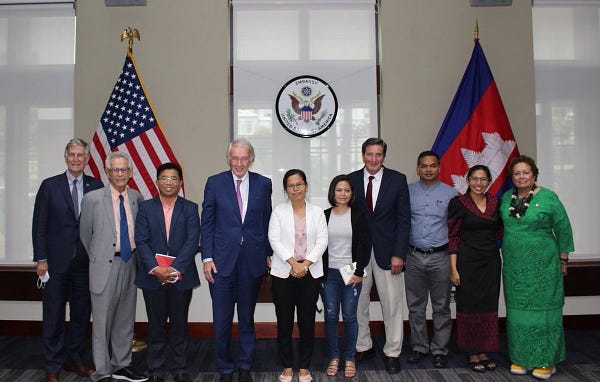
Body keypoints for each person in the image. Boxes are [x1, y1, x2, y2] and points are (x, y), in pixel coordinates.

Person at [200, 138, 272, 382]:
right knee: (221, 321)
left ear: (251, 159)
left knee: (246, 319)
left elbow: (266, 221)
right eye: (235, 158)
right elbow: (207, 223)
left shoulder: (264, 184)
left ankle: (244, 366)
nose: (239, 163)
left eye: (244, 158)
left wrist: (268, 253)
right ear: (228, 158)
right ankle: (225, 368)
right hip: (220, 262)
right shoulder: (215, 183)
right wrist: (207, 257)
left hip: (251, 261)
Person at [32, 138, 103, 382]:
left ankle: (75, 359)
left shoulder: (96, 186)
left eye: (80, 155)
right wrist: (40, 258)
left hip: (85, 264)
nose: (75, 159)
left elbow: (101, 227)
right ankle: (52, 366)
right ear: (65, 157)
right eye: (71, 154)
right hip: (55, 264)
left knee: (82, 315)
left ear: (87, 159)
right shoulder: (49, 186)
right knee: (53, 315)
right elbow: (39, 226)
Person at [500, 155, 574, 380]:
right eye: (517, 173)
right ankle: (521, 357)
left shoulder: (549, 197)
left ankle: (546, 360)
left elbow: (563, 228)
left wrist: (563, 260)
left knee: (544, 313)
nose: (521, 177)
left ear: (534, 175)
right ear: (512, 177)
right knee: (517, 313)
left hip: (544, 265)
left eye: (526, 172)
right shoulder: (506, 198)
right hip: (514, 267)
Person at [79, 151, 147, 382]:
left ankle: (121, 365)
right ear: (107, 173)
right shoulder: (92, 199)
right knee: (102, 322)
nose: (120, 174)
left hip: (130, 263)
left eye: (124, 170)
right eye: (115, 170)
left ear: (130, 173)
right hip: (104, 266)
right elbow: (85, 235)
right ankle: (102, 370)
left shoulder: (137, 198)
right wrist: (101, 256)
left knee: (125, 320)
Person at [348, 137, 411, 374]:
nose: (373, 159)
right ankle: (363, 346)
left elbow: (404, 220)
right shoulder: (351, 180)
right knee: (358, 302)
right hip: (358, 254)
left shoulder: (398, 179)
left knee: (392, 304)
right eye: (369, 154)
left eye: (378, 155)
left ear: (384, 156)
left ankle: (392, 351)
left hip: (389, 253)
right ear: (362, 155)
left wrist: (399, 254)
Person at [134, 163, 200, 382]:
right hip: (153, 276)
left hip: (180, 276)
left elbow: (192, 241)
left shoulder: (190, 208)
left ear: (180, 183)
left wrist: (174, 269)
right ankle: (156, 369)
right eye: (164, 178)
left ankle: (180, 368)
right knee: (156, 326)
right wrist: (156, 269)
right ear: (157, 181)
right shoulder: (145, 208)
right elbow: (141, 240)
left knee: (180, 325)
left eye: (173, 179)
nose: (169, 182)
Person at [268, 169, 328, 382]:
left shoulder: (317, 212)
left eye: (299, 184)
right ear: (286, 189)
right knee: (284, 322)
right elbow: (273, 239)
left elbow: (322, 241)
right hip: (284, 274)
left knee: (307, 322)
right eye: (291, 185)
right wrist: (293, 263)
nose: (296, 188)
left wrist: (306, 264)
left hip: (310, 274)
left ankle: (304, 367)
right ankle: (286, 366)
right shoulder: (278, 211)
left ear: (306, 186)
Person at [405, 151, 457, 369]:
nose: (428, 169)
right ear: (417, 168)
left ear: (439, 168)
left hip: (440, 257)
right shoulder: (406, 191)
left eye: (432, 166)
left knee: (441, 306)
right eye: (424, 166)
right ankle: (419, 347)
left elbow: (455, 229)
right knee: (416, 306)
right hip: (414, 256)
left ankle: (439, 349)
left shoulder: (451, 193)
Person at [447, 165, 502, 373]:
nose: (478, 183)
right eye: (474, 179)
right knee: (469, 305)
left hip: (490, 262)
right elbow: (452, 237)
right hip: (466, 262)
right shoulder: (458, 203)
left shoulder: (496, 202)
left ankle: (485, 349)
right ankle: (472, 351)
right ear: (467, 180)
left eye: (483, 179)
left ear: (489, 181)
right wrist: (453, 269)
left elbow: (499, 232)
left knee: (488, 305)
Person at [322, 175, 369, 379]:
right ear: (333, 192)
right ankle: (334, 357)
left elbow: (364, 245)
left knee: (350, 316)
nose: (343, 194)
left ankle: (349, 358)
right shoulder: (323, 215)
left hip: (351, 272)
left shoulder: (358, 215)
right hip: (329, 274)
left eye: (347, 190)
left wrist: (359, 272)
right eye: (339, 190)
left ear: (352, 193)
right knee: (331, 315)